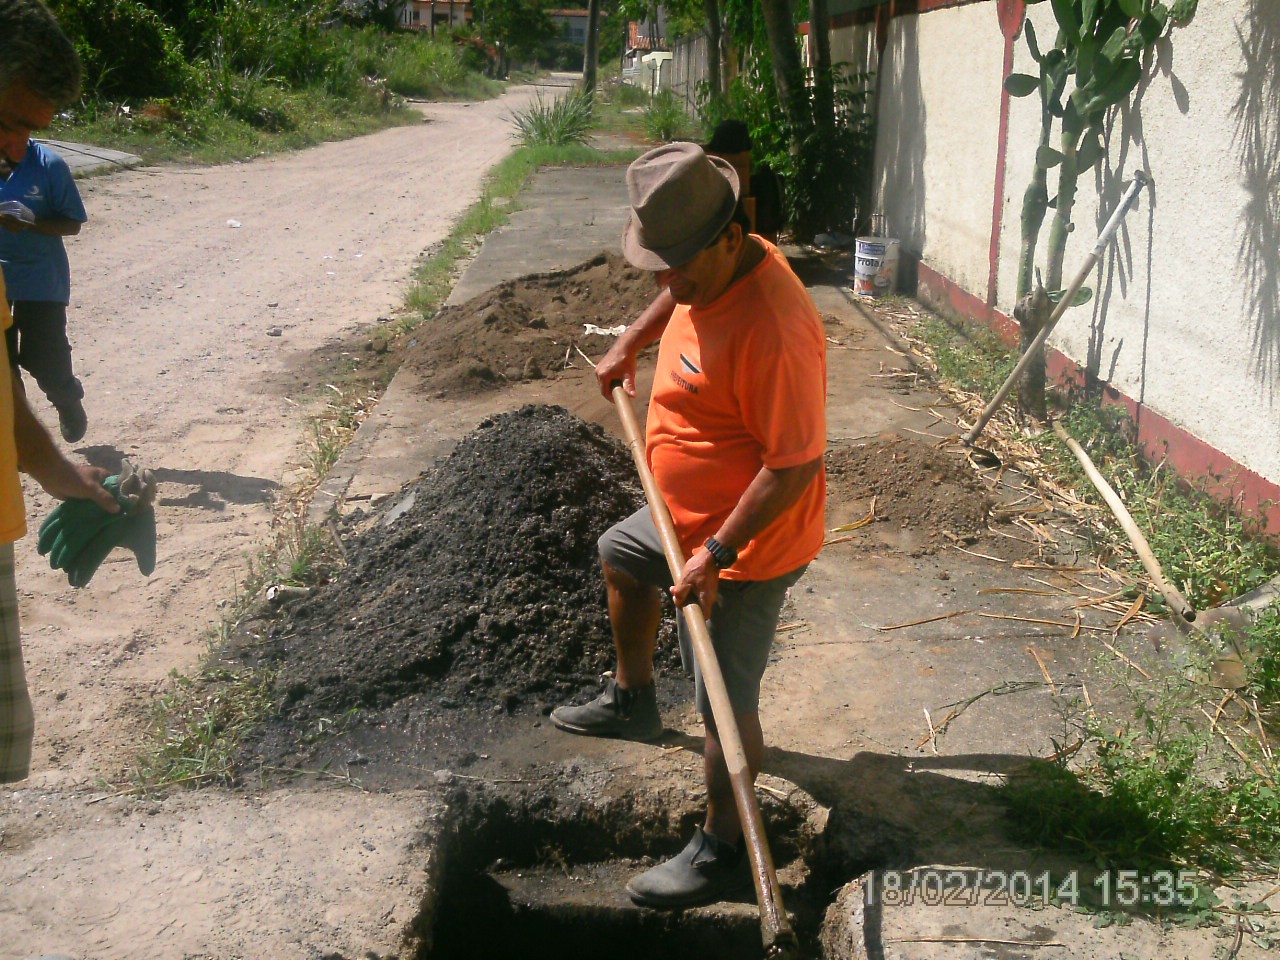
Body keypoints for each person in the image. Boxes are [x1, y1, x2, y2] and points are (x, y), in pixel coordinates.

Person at [551, 142, 826, 908]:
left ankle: (724, 849)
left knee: (721, 703)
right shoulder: (709, 263)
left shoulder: (775, 329)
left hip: (748, 540)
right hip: (688, 515)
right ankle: (632, 696)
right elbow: (678, 290)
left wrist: (715, 555)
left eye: (684, 269)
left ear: (732, 238)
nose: (672, 285)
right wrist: (629, 342)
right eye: (660, 268)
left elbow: (792, 463)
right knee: (621, 552)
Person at [0, 0, 119, 783]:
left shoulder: (39, 171)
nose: (12, 146)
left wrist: (53, 470)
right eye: (6, 117)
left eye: (27, 128)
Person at [0, 132, 89, 443]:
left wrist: (31, 224)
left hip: (41, 279)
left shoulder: (49, 165)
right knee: (3, 365)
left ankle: (66, 399)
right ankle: (20, 439)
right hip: (0, 279)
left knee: (45, 359)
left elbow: (72, 223)